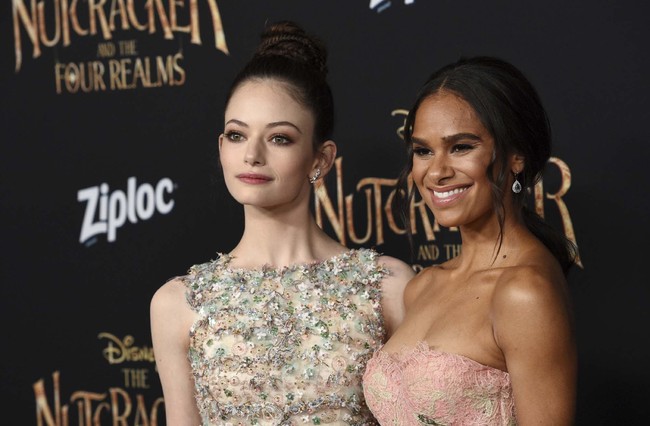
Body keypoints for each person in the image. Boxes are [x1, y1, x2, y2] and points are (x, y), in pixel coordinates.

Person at [150, 20, 414, 425]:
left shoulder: (387, 288)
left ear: (320, 159)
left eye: (280, 138)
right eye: (237, 135)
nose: (252, 154)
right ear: (221, 148)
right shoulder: (177, 304)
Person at [362, 56, 577, 425]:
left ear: (516, 157)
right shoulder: (422, 287)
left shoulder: (524, 293)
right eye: (423, 150)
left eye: (461, 147)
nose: (437, 172)